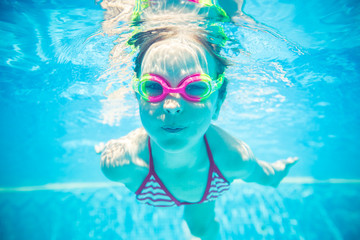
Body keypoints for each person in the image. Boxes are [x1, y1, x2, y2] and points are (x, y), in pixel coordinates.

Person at [97, 1, 298, 240]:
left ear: (219, 100)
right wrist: (110, 151)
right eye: (152, 86)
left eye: (195, 88)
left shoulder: (232, 157)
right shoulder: (120, 164)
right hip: (152, 177)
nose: (171, 106)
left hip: (208, 181)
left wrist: (275, 173)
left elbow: (261, 174)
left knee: (201, 227)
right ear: (136, 95)